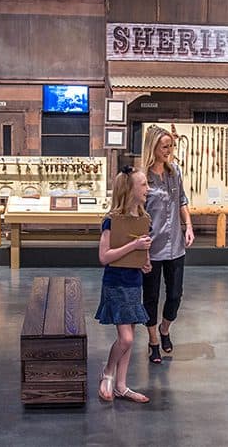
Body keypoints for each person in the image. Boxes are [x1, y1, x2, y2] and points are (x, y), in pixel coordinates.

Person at [95, 165, 152, 404]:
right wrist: (134, 246)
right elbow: (104, 257)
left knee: (131, 336)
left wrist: (145, 261)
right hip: (116, 283)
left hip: (133, 283)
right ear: (130, 190)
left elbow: (142, 251)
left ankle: (121, 384)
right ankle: (108, 372)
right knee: (126, 338)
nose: (148, 189)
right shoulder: (111, 221)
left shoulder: (143, 219)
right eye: (143, 184)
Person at [141, 126, 195, 364]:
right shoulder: (142, 178)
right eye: (164, 146)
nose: (169, 151)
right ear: (152, 147)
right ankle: (153, 341)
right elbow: (136, 212)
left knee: (175, 294)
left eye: (171, 146)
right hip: (151, 248)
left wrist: (189, 226)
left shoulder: (176, 173)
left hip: (176, 246)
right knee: (150, 297)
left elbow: (182, 200)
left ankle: (165, 329)